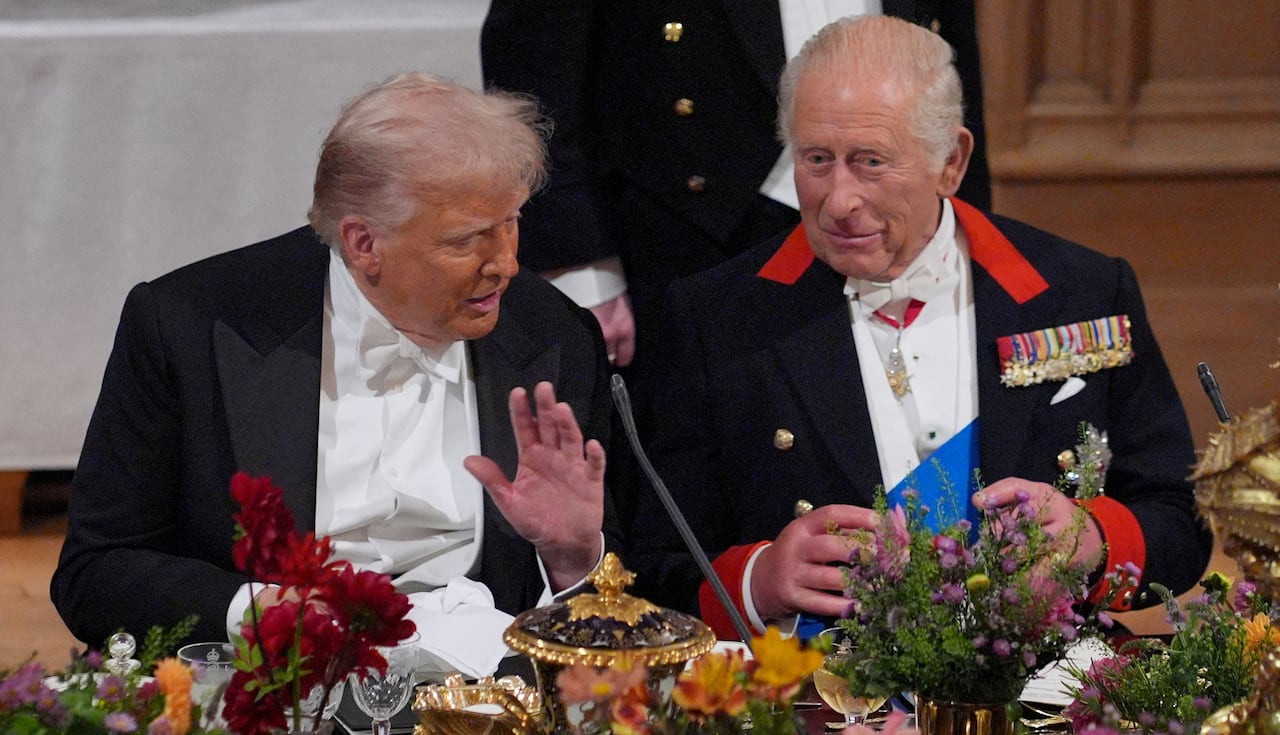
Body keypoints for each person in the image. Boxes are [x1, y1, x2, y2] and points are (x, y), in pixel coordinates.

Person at [628, 15, 1212, 640]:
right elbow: (651, 564)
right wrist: (757, 580)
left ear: (952, 162)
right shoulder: (715, 317)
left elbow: (1180, 518)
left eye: (871, 162)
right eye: (816, 160)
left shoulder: (1082, 293)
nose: (838, 200)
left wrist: (1092, 541)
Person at [51, 73, 615, 679]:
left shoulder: (554, 333)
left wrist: (571, 559)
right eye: (468, 239)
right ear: (363, 243)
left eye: (511, 222)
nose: (505, 262)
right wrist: (261, 611)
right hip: (273, 689)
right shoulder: (188, 324)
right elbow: (97, 572)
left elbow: (641, 584)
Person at [480, 0, 991, 379]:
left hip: (896, 219)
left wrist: (968, 236)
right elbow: (537, 53)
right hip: (686, 229)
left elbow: (950, 62)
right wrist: (580, 263)